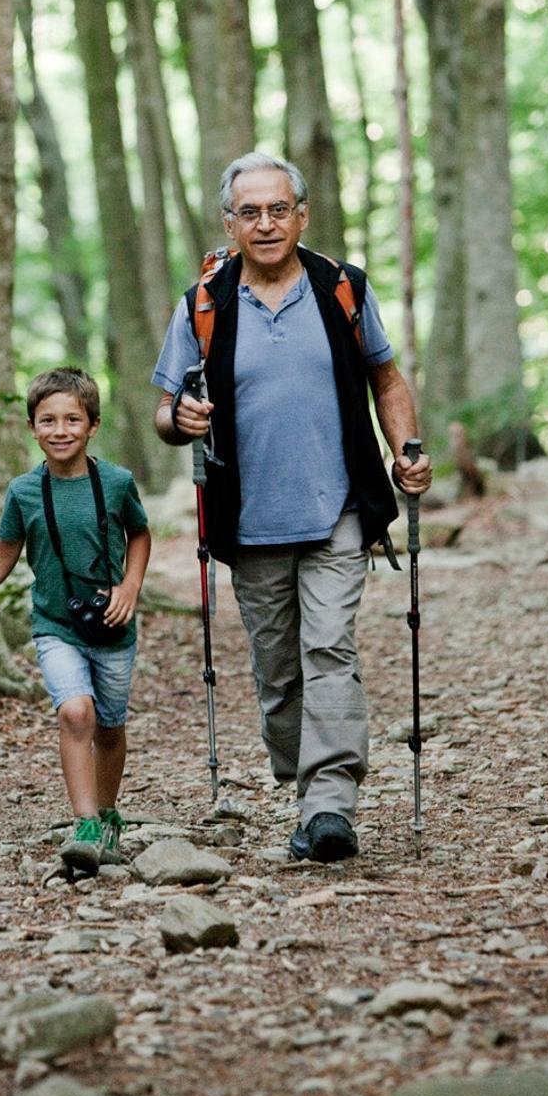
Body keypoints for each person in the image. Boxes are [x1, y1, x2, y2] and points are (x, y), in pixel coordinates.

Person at [152, 152, 431, 863]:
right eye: (251, 212)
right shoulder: (204, 303)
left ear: (302, 215)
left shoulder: (341, 287)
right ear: (230, 223)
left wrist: (407, 449)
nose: (266, 223)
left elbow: (387, 379)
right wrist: (177, 416)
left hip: (337, 506)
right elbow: (162, 408)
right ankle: (302, 782)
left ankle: (330, 802)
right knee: (278, 673)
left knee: (330, 649)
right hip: (247, 520)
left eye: (279, 209)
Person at [0, 367, 151, 876]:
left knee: (111, 726)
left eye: (72, 419)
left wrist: (129, 588)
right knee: (76, 712)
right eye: (47, 420)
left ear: (92, 425)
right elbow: (2, 553)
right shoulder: (24, 491)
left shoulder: (118, 482)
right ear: (32, 427)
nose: (60, 430)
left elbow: (141, 535)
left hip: (113, 626)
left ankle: (107, 812)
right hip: (55, 624)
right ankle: (84, 825)